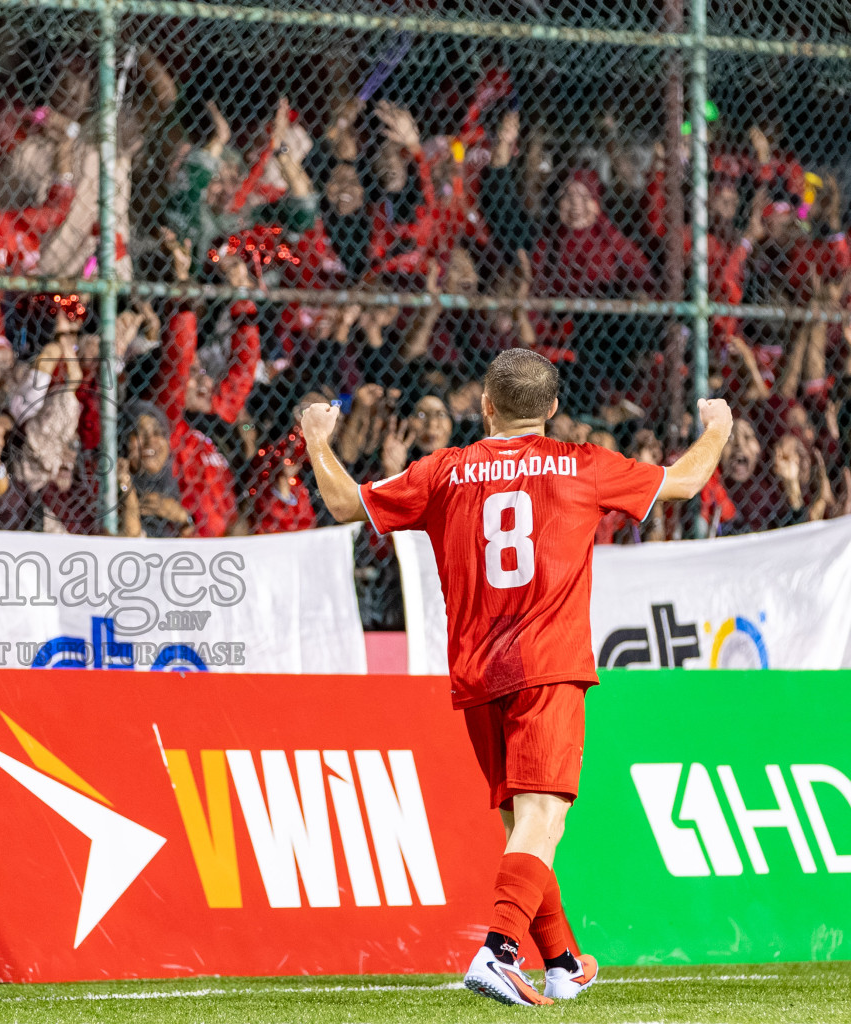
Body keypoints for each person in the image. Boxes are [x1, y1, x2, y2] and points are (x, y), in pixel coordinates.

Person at [301, 348, 734, 1006]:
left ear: (485, 407)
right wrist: (718, 428)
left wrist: (316, 437)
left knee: (519, 822)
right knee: (542, 821)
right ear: (554, 410)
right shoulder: (583, 466)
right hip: (546, 667)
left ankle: (559, 960)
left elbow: (340, 503)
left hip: (477, 672)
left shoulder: (446, 470)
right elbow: (683, 483)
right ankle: (499, 950)